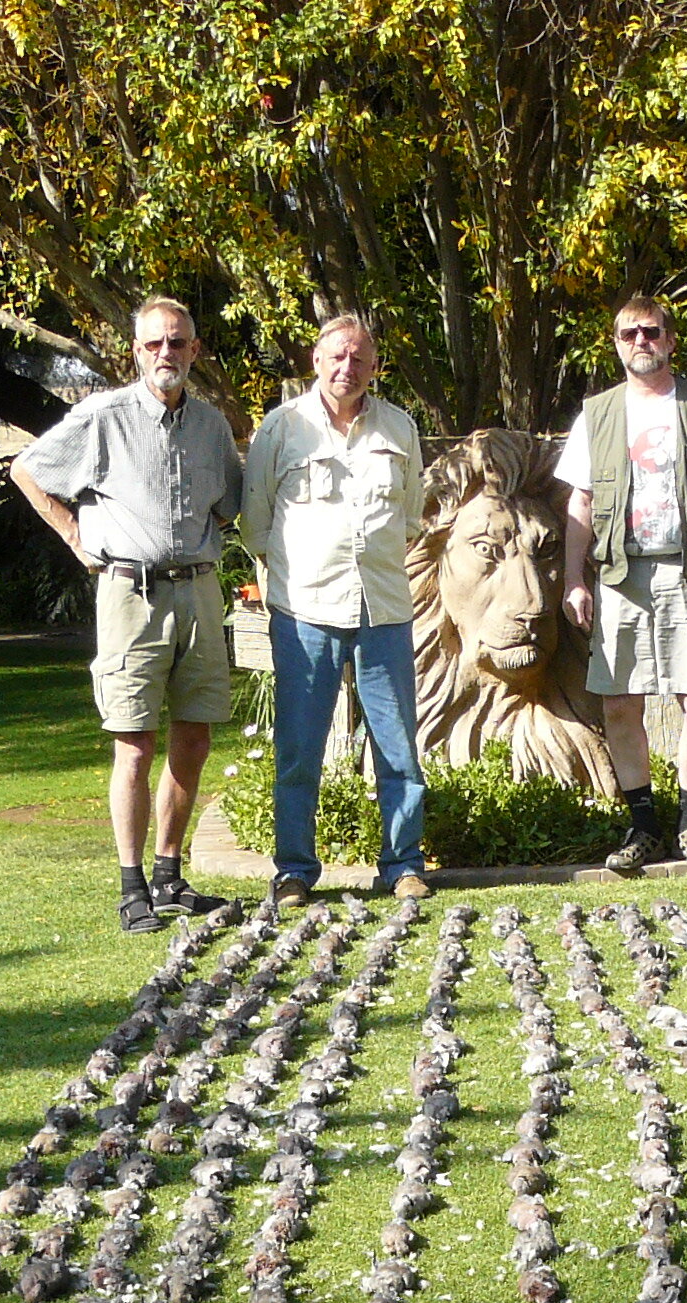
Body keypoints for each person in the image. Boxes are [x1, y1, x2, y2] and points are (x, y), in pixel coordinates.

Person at [9, 296, 244, 933]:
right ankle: (132, 886)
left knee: (194, 737)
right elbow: (27, 469)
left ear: (195, 350)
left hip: (198, 590)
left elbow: (231, 503)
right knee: (134, 743)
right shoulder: (102, 417)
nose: (166, 353)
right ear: (135, 352)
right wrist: (74, 537)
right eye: (154, 344)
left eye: (178, 343)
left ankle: (170, 876)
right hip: (129, 597)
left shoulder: (212, 427)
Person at [239, 313, 430, 906]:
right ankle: (294, 870)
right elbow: (255, 522)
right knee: (299, 749)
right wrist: (297, 579)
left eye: (360, 358)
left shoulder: (400, 428)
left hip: (384, 612)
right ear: (316, 361)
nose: (347, 368)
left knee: (398, 748)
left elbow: (413, 516)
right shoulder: (282, 428)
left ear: (375, 367)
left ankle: (403, 866)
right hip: (305, 614)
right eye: (336, 356)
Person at [557, 294, 687, 875]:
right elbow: (580, 501)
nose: (641, 342)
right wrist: (575, 580)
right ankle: (643, 827)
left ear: (671, 340)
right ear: (615, 343)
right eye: (629, 334)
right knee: (619, 701)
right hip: (619, 574)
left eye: (651, 332)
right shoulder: (598, 413)